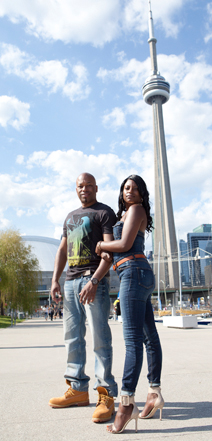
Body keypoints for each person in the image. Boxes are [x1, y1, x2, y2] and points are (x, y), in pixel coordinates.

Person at [96, 175, 164, 433]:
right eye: (127, 188)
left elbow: (123, 244)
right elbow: (121, 246)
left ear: (142, 193)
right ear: (121, 191)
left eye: (136, 188)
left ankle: (126, 404)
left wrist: (102, 244)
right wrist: (107, 250)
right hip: (136, 272)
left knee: (133, 341)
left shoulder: (136, 210)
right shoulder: (124, 215)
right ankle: (154, 392)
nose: (131, 192)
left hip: (133, 273)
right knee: (149, 338)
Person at [49, 172, 118, 424]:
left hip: (93, 282)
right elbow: (62, 250)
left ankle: (106, 395)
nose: (84, 189)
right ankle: (77, 390)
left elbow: (108, 253)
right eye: (80, 186)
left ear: (96, 188)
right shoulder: (70, 217)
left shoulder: (104, 213)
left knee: (100, 339)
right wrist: (56, 279)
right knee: (72, 337)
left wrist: (95, 281)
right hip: (70, 283)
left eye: (89, 185)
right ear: (75, 189)